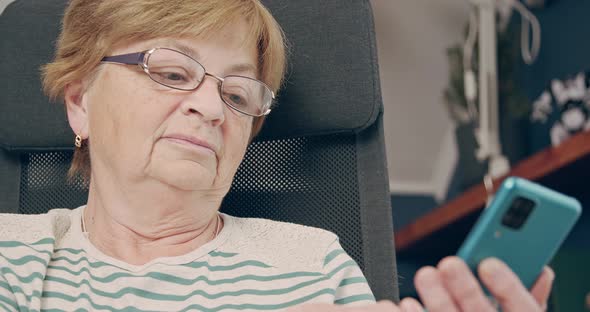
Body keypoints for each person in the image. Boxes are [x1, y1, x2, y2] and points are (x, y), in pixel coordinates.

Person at [0, 0, 553, 311]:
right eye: (171, 72)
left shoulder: (312, 264)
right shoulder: (11, 251)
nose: (213, 109)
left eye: (238, 95)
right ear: (80, 103)